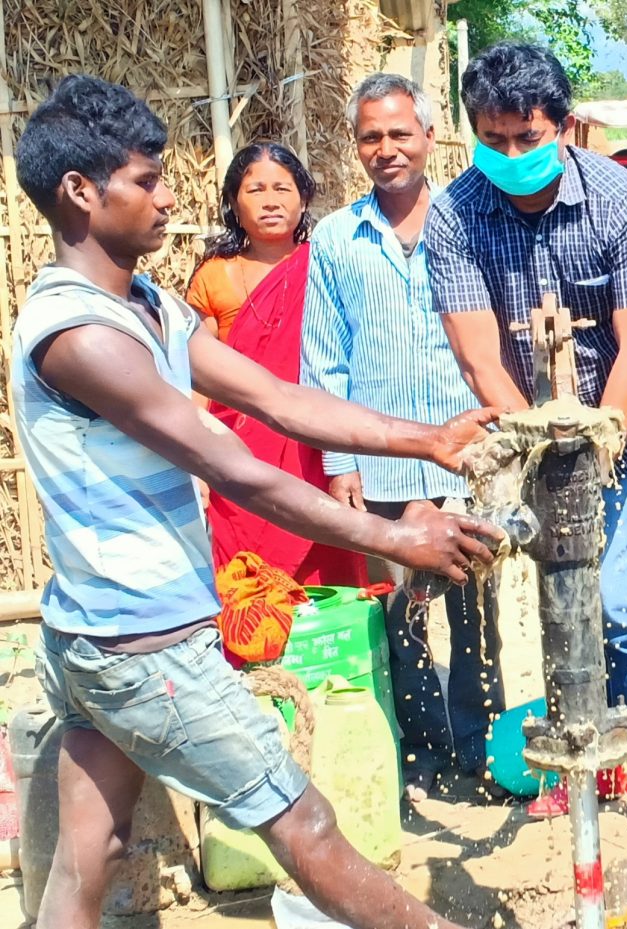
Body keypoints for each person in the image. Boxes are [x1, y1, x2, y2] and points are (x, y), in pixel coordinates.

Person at [12, 74, 499, 929]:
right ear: (81, 193)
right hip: (144, 646)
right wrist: (392, 534)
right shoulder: (80, 336)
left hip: (94, 632)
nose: (170, 198)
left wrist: (425, 439)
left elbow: (279, 397)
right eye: (147, 180)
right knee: (304, 823)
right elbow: (238, 468)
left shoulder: (145, 303)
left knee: (91, 856)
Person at [423, 43, 627, 852]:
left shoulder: (622, 204)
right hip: (528, 428)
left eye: (527, 138)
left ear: (564, 125)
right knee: (560, 590)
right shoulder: (455, 214)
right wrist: (541, 442)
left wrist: (597, 444)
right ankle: (583, 752)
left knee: (622, 601)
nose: (510, 156)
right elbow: (477, 356)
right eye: (492, 139)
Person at [300, 72, 504, 802]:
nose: (386, 149)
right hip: (381, 464)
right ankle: (420, 751)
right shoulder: (335, 239)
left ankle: (481, 750)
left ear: (428, 136)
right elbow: (324, 358)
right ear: (356, 146)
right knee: (401, 616)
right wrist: (340, 460)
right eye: (370, 136)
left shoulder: (475, 219)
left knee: (474, 610)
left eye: (399, 133)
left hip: (472, 455)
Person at [186, 142, 367, 589]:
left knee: (328, 552)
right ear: (234, 202)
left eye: (283, 189)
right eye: (256, 189)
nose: (271, 201)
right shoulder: (215, 274)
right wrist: (196, 459)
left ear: (303, 199)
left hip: (317, 440)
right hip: (243, 450)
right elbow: (197, 378)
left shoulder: (326, 264)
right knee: (250, 571)